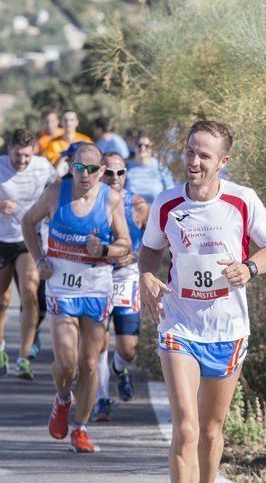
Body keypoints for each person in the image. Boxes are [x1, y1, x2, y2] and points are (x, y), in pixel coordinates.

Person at [138, 121, 266, 483]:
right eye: (189, 152)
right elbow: (149, 250)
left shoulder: (243, 200)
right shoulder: (167, 203)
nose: (194, 161)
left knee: (210, 429)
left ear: (223, 161)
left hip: (227, 330)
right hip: (179, 326)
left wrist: (251, 267)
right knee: (185, 427)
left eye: (204, 155)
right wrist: (147, 276)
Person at [22, 144, 130, 453]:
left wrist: (106, 250)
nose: (85, 174)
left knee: (90, 362)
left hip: (96, 287)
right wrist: (40, 259)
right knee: (67, 363)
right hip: (61, 287)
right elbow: (28, 223)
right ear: (71, 167)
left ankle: (80, 428)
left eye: (92, 169)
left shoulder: (111, 199)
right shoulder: (56, 192)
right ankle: (62, 399)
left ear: (101, 171)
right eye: (79, 168)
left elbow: (125, 245)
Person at [0, 129, 56, 379]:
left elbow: (57, 189)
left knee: (30, 293)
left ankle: (24, 358)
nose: (22, 161)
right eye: (18, 155)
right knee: (2, 300)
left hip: (29, 239)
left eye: (27, 156)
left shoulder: (43, 167)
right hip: (0, 239)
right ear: (9, 151)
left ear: (33, 151)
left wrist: (51, 211)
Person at [93, 152, 147, 421]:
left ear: (126, 174)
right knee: (99, 341)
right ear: (100, 172)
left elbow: (155, 242)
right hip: (97, 276)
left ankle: (120, 369)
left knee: (128, 348)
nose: (115, 178)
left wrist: (135, 256)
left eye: (120, 173)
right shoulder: (89, 201)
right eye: (109, 172)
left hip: (126, 276)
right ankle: (102, 399)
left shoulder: (138, 204)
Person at [126, 132, 176, 204]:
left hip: (155, 211)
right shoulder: (126, 167)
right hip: (131, 211)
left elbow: (171, 189)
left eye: (147, 146)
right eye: (139, 145)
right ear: (135, 147)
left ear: (151, 148)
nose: (143, 148)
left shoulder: (160, 167)